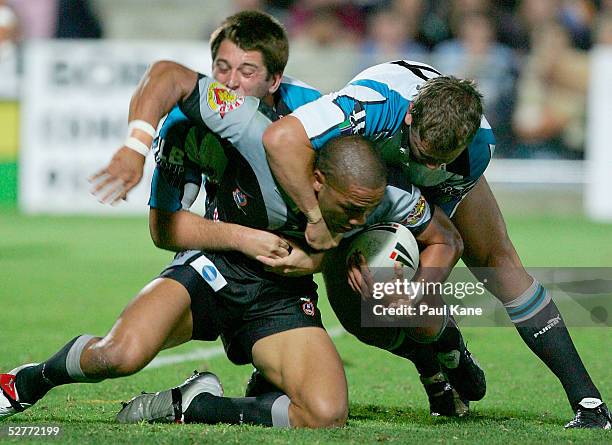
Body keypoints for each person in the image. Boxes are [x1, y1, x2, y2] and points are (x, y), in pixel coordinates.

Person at [88, 11, 484, 417]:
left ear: (274, 80)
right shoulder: (189, 122)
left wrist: (336, 255)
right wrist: (136, 146)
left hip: (288, 286)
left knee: (340, 378)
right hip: (222, 262)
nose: (229, 84)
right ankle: (29, 380)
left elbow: (356, 206)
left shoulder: (316, 120)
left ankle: (436, 366)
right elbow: (165, 228)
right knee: (120, 353)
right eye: (221, 69)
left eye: (246, 71)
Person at [261, 59, 611, 429]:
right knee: (357, 306)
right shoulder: (368, 106)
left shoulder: (476, 148)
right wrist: (319, 224)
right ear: (410, 117)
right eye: (419, 152)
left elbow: (443, 237)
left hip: (405, 193)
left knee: (496, 264)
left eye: (436, 161)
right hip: (362, 179)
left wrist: (416, 294)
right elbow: (284, 139)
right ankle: (435, 360)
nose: (424, 165)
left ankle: (588, 402)